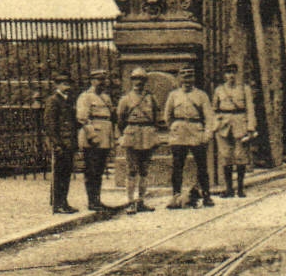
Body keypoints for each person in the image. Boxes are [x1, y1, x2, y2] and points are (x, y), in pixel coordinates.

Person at [163, 66, 216, 208]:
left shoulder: (201, 95)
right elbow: (167, 116)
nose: (187, 81)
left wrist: (207, 133)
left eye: (190, 77)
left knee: (202, 166)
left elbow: (209, 117)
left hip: (196, 133)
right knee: (177, 166)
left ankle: (206, 195)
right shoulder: (173, 95)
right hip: (179, 134)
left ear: (193, 79)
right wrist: (174, 128)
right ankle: (176, 196)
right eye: (184, 77)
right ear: (180, 79)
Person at [116, 67, 159, 213]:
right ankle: (130, 201)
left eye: (141, 79)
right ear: (131, 81)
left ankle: (140, 201)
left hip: (147, 135)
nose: (138, 82)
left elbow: (156, 117)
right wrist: (125, 135)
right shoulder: (125, 99)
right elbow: (120, 120)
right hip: (132, 135)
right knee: (132, 170)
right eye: (135, 79)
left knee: (144, 170)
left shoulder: (150, 98)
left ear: (145, 81)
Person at [213, 62, 256, 198]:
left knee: (240, 156)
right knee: (226, 156)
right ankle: (229, 188)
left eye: (233, 73)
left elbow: (250, 108)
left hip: (240, 122)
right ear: (225, 75)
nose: (231, 76)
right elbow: (214, 109)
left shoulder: (244, 89)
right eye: (228, 73)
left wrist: (250, 127)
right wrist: (215, 125)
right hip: (224, 125)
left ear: (237, 74)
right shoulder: (219, 90)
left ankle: (241, 188)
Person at [75, 68, 116, 212]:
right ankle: (92, 201)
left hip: (104, 138)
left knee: (99, 170)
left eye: (103, 80)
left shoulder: (105, 97)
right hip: (92, 139)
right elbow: (82, 118)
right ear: (92, 81)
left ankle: (97, 200)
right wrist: (93, 136)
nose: (102, 83)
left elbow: (110, 118)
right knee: (91, 170)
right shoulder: (85, 97)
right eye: (99, 80)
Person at [42, 71, 79, 214]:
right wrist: (56, 144)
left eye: (68, 84)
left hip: (69, 142)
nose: (67, 87)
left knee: (66, 173)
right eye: (64, 84)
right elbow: (50, 124)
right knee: (59, 174)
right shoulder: (53, 100)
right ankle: (57, 204)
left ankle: (63, 201)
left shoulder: (68, 100)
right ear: (57, 85)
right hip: (60, 143)